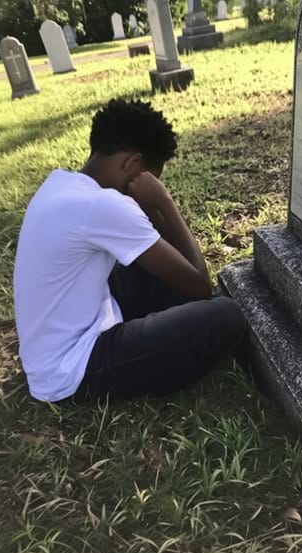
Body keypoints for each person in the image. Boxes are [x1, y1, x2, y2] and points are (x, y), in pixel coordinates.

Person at [13, 98, 249, 403]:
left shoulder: (62, 185)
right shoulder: (106, 206)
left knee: (152, 268)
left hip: (56, 347)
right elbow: (200, 285)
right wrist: (164, 202)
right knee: (224, 315)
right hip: (74, 370)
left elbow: (173, 268)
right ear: (132, 165)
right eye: (154, 176)